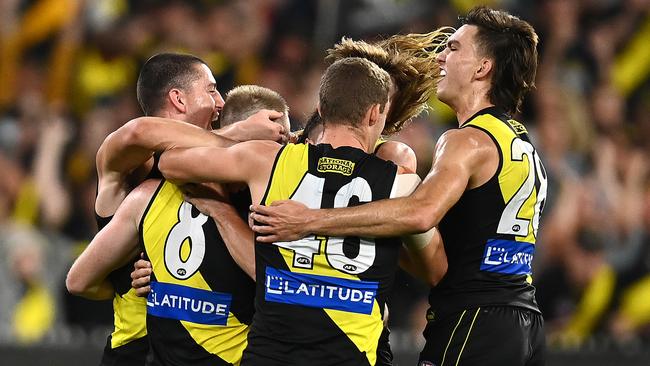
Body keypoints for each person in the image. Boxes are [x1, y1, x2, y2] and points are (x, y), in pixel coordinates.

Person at [250, 6, 547, 366]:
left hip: (475, 317)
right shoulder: (520, 141)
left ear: (483, 68)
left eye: (453, 49)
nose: (440, 56)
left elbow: (421, 213)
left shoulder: (465, 140)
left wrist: (309, 221)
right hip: (523, 320)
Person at [150, 57, 445, 366]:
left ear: (320, 107)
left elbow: (170, 162)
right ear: (375, 114)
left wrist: (233, 136)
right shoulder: (399, 184)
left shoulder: (267, 160)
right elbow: (435, 270)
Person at [71, 52, 286, 366]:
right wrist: (123, 285)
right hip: (138, 352)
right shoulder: (134, 169)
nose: (220, 103)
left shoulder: (231, 176)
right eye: (211, 90)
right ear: (179, 99)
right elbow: (137, 132)